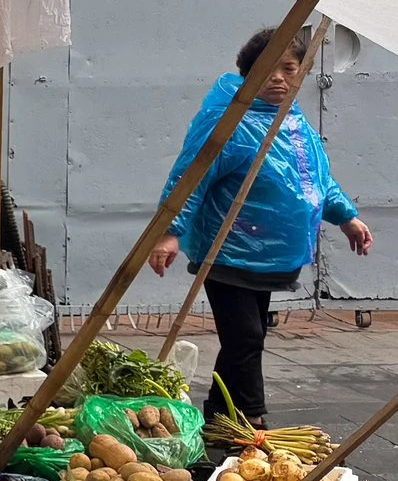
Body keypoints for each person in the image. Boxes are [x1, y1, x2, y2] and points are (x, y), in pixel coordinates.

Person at [148, 26, 373, 425]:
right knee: (246, 338)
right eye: (268, 69)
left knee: (245, 340)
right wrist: (170, 233)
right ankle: (252, 419)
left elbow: (316, 179)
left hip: (269, 258)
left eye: (290, 69)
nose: (279, 78)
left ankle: (220, 414)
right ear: (248, 72)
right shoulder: (230, 120)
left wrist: (346, 216)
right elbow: (191, 178)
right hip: (227, 249)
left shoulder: (294, 122)